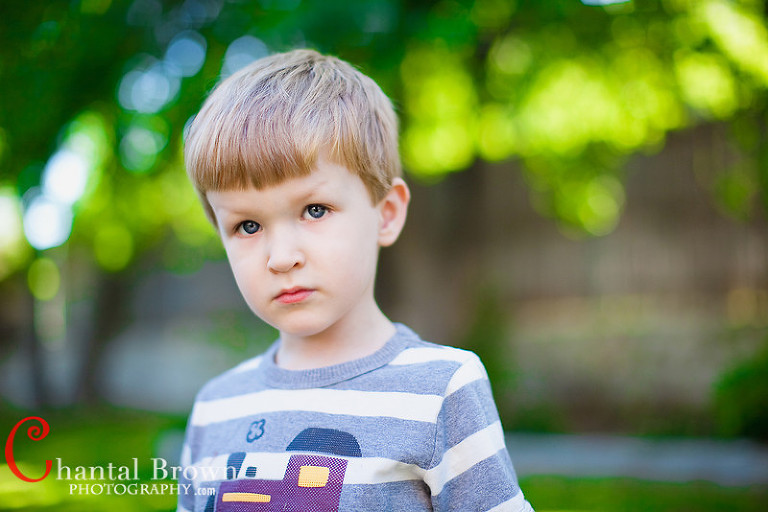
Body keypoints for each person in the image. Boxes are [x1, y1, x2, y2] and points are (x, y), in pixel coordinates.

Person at [177, 48, 534, 512]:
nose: (281, 258)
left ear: (386, 214)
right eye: (248, 226)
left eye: (314, 210)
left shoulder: (441, 389)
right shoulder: (214, 408)